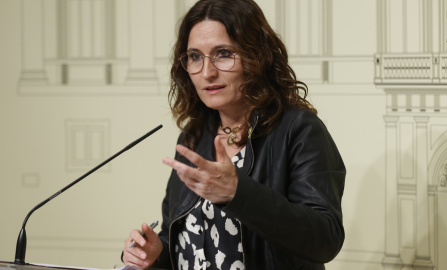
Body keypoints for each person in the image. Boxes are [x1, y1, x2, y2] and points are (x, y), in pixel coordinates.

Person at [122, 0, 346, 269]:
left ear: (256, 56)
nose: (207, 72)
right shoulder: (193, 137)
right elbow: (184, 240)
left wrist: (239, 193)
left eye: (223, 53)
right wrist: (156, 254)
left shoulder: (298, 130)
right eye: (194, 57)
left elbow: (325, 239)